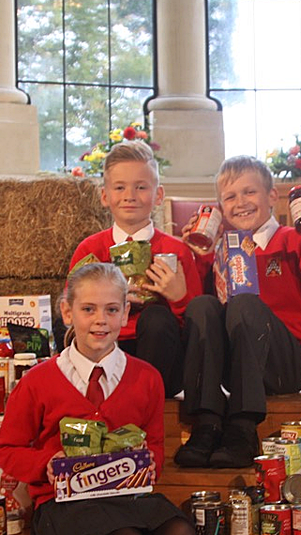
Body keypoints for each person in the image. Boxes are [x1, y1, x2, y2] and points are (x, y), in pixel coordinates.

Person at [0, 262, 194, 535]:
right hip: (62, 505)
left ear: (126, 313)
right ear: (67, 312)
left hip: (124, 497)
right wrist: (46, 464)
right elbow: (7, 449)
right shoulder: (38, 381)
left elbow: (155, 445)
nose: (101, 320)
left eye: (112, 310)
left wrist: (141, 466)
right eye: (88, 309)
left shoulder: (147, 378)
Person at [175, 156, 301, 469]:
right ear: (220, 205)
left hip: (287, 361)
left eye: (249, 192)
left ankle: (243, 428)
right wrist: (196, 257)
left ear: (272, 197)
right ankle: (206, 422)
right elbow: (197, 314)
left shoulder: (292, 239)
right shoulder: (221, 250)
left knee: (244, 302)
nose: (240, 203)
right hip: (239, 364)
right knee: (202, 305)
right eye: (230, 197)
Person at [64, 140, 200, 397]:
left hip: (163, 361)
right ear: (105, 196)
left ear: (158, 195)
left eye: (141, 187)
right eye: (119, 187)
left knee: (156, 317)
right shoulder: (90, 251)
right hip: (106, 352)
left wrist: (178, 297)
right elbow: (71, 315)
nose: (130, 196)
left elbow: (196, 328)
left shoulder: (177, 251)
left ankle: (145, 400)